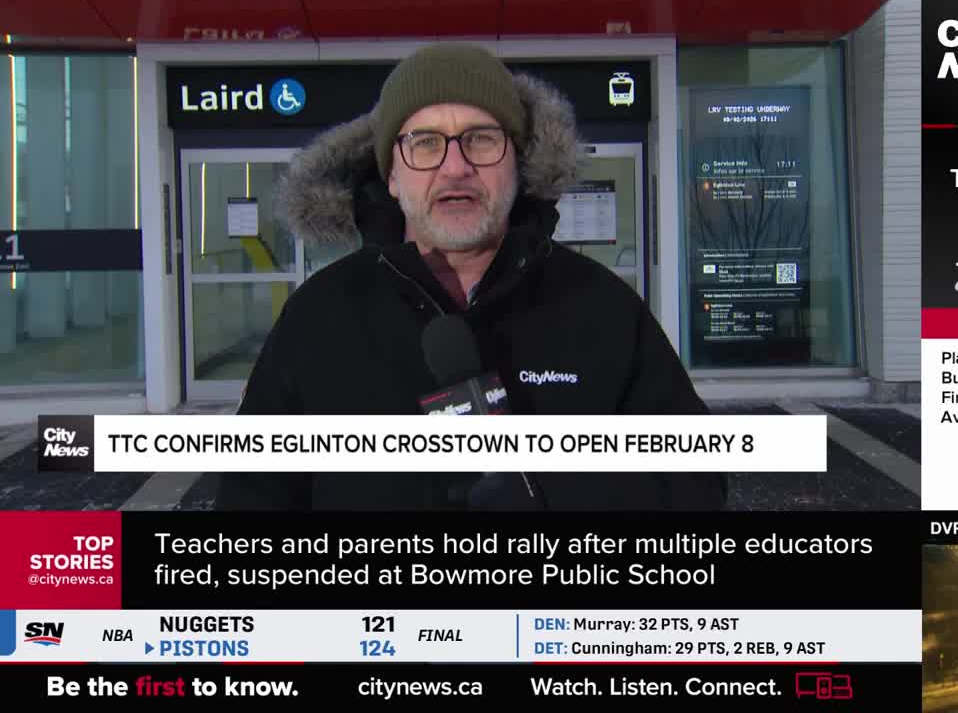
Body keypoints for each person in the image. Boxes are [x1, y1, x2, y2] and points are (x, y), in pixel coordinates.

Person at [213, 43, 726, 511]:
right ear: (392, 174)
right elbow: (250, 498)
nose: (455, 167)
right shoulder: (319, 315)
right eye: (425, 143)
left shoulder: (601, 307)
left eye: (481, 140)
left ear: (517, 164)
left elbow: (694, 485)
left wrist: (547, 491)